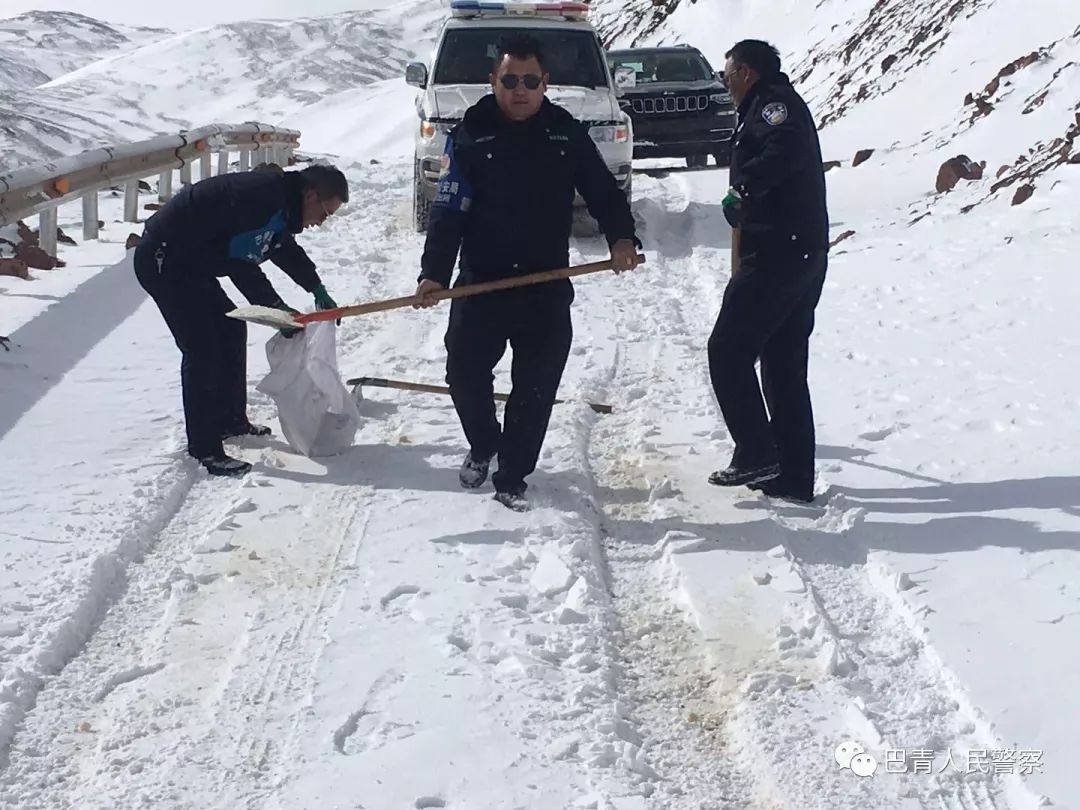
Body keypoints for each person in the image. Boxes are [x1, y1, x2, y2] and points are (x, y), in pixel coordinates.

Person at [415, 33, 641, 512]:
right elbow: (449, 210)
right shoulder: (472, 134)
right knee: (463, 372)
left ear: (546, 83)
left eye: (531, 80)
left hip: (544, 283)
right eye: (511, 79)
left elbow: (602, 190)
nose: (521, 89)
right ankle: (484, 443)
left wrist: (622, 237)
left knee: (536, 388)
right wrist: (433, 272)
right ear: (493, 80)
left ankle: (513, 474)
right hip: (482, 281)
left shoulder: (564, 132)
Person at [133, 163, 348, 477]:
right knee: (202, 349)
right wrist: (277, 311)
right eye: (325, 213)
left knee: (231, 327)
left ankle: (230, 420)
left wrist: (315, 286)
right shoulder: (259, 199)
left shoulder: (283, 203)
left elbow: (280, 245)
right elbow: (242, 266)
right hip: (164, 260)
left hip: (195, 263)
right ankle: (204, 448)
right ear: (311, 195)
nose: (321, 223)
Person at [707, 40, 829, 504]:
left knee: (727, 351)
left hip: (779, 254)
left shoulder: (774, 107)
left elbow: (783, 154)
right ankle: (793, 476)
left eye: (727, 75)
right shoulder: (767, 103)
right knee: (781, 363)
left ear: (746, 72)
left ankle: (757, 450)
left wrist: (744, 189)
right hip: (798, 249)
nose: (726, 84)